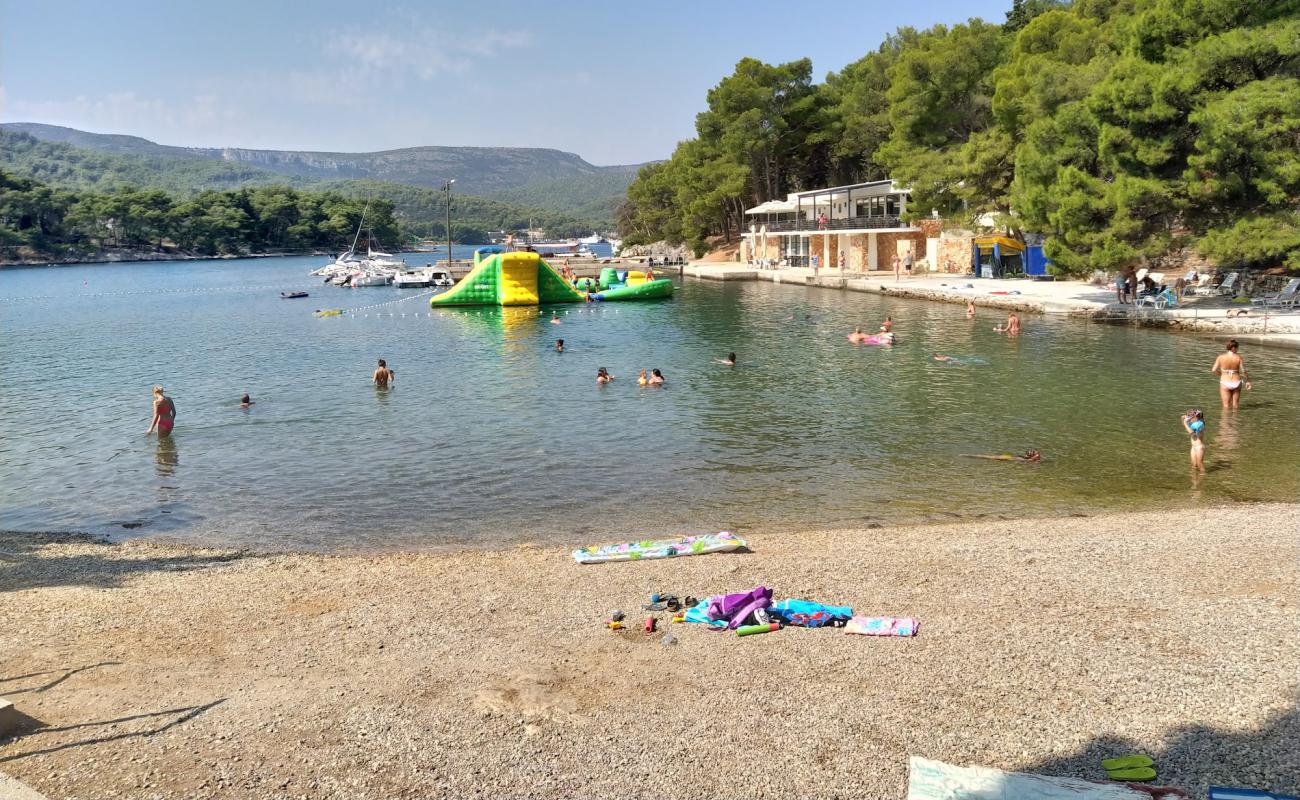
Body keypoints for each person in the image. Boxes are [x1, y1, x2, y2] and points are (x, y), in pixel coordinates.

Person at [1211, 339, 1251, 409]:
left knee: (1226, 406)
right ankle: (1235, 419)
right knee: (1235, 405)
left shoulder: (1220, 357)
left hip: (1225, 382)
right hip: (1236, 382)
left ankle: (1226, 420)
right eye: (1237, 348)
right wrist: (1248, 380)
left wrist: (1221, 374)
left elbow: (1213, 370)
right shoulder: (1238, 358)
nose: (1237, 350)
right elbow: (1243, 371)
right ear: (1233, 348)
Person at [962, 449, 1041, 462]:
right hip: (1007, 457)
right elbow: (1030, 460)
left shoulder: (1027, 459)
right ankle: (966, 455)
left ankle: (967, 455)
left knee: (988, 457)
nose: (1038, 455)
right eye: (1036, 455)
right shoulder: (1027, 460)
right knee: (987, 457)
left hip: (1008, 456)